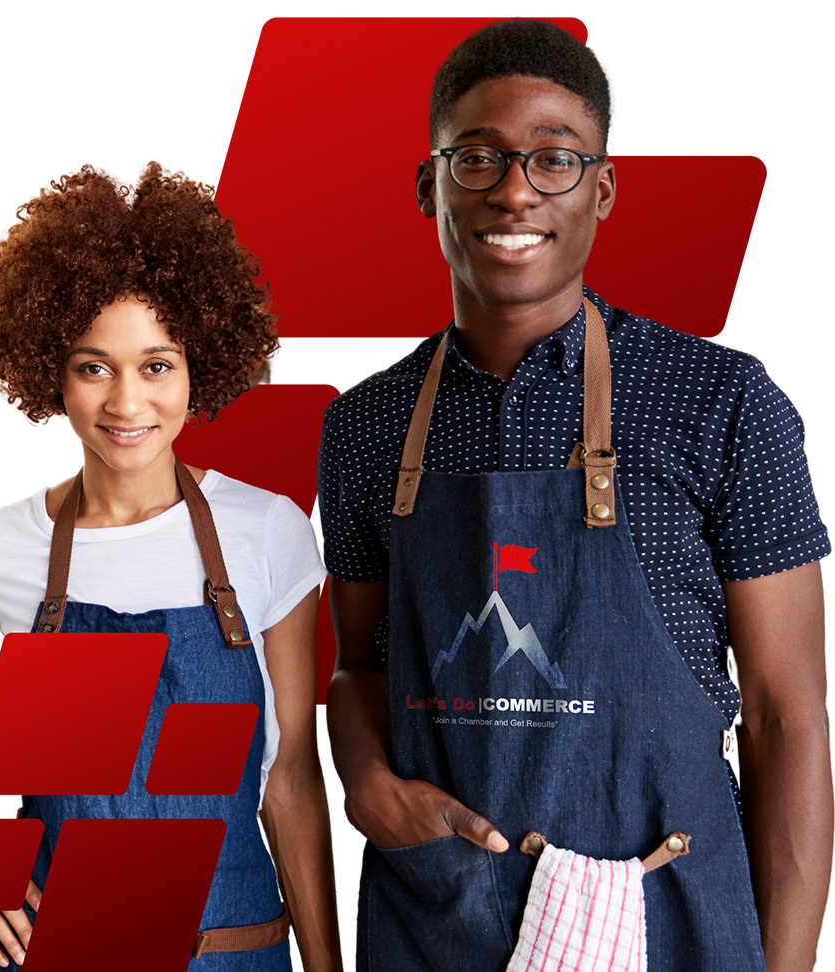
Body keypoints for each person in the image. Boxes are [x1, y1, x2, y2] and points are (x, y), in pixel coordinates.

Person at [318, 19, 831, 972]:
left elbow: (784, 718)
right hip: (439, 919)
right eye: (477, 157)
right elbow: (359, 671)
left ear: (602, 189)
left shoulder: (723, 401)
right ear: (428, 184)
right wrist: (364, 782)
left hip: (666, 921)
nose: (514, 188)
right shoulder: (362, 425)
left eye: (554, 159)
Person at [0, 162, 343, 972]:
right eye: (94, 367)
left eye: (156, 365)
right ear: (51, 371)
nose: (127, 404)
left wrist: (326, 965)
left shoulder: (269, 532)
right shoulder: (1, 548)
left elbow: (294, 779)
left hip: (238, 953)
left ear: (200, 364)